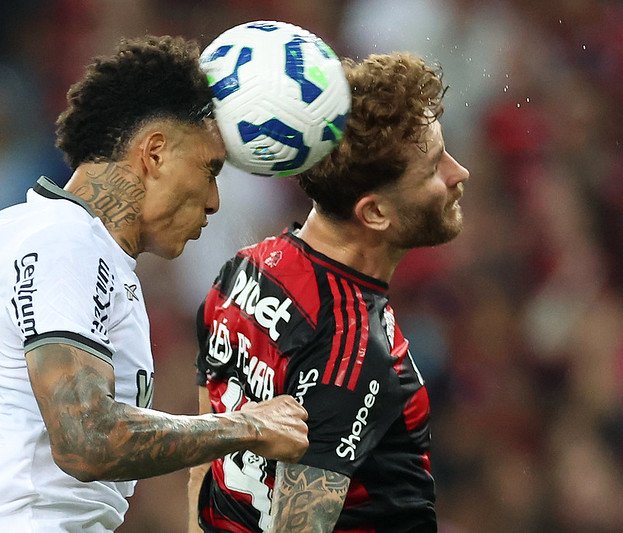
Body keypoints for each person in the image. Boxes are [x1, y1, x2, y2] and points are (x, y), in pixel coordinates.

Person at [0, 35, 309, 533]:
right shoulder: (66, 241)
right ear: (155, 153)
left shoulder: (23, 229)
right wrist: (247, 426)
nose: (214, 200)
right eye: (209, 169)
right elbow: (87, 440)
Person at [190, 51, 470, 532]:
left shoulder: (241, 272)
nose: (458, 172)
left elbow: (203, 470)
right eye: (432, 170)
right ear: (374, 213)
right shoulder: (353, 347)